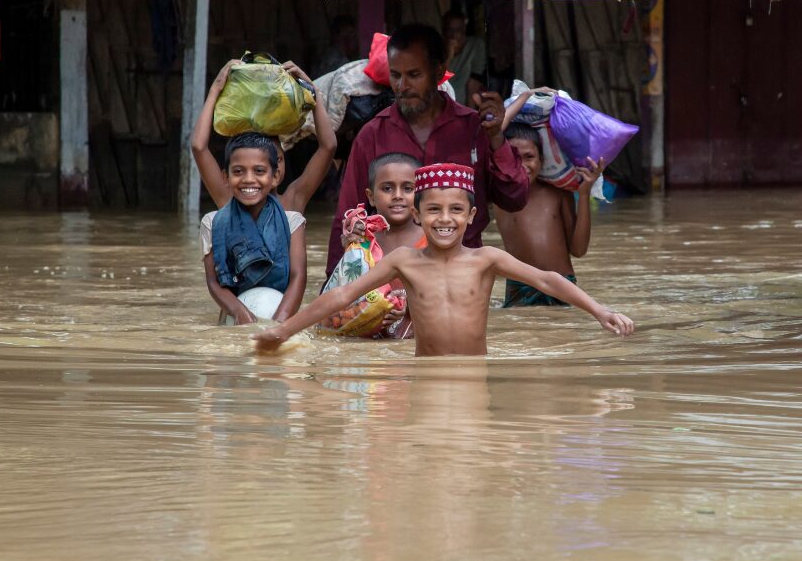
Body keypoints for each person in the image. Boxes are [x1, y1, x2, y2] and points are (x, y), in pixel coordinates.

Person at [254, 164, 633, 356]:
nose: (444, 219)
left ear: (471, 216)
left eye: (455, 210)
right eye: (433, 210)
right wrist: (283, 332)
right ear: (418, 216)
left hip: (474, 372)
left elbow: (548, 280)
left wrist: (600, 311)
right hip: (425, 372)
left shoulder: (486, 259)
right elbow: (341, 295)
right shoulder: (404, 261)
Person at [325, 24, 528, 277]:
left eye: (414, 74)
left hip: (464, 279)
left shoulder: (476, 129)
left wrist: (496, 137)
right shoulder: (372, 135)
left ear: (438, 71)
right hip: (393, 284)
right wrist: (335, 286)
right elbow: (346, 219)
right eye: (396, 75)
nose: (402, 86)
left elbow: (515, 198)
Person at [191, 59, 337, 216]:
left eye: (278, 159)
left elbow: (328, 147)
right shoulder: (228, 201)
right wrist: (215, 89)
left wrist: (312, 92)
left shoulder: (293, 201)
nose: (276, 165)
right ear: (227, 176)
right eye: (240, 170)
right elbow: (199, 147)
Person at [494, 123, 605, 308]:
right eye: (514, 157)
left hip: (563, 286)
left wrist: (584, 194)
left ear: (542, 159)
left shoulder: (558, 194)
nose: (522, 165)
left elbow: (579, 250)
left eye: (529, 157)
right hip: (519, 289)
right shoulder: (498, 196)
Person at [201, 133, 307, 326]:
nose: (249, 179)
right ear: (226, 177)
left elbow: (298, 277)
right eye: (238, 171)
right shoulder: (213, 222)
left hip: (283, 314)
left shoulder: (292, 222)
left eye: (259, 171)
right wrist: (239, 312)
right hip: (234, 317)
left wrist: (279, 324)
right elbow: (214, 282)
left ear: (275, 177)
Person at [336, 152, 425, 338]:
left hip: (413, 339)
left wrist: (409, 308)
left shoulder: (430, 242)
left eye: (408, 188)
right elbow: (345, 295)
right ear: (371, 197)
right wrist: (350, 253)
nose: (398, 196)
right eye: (387, 188)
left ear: (420, 195)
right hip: (368, 338)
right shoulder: (362, 240)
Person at [442, 9, 487, 107]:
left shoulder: (475, 46)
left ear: (464, 29)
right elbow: (440, 81)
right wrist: (449, 56)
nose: (454, 35)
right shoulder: (439, 48)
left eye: (458, 30)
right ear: (444, 31)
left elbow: (473, 84)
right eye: (450, 30)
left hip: (461, 105)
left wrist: (469, 112)